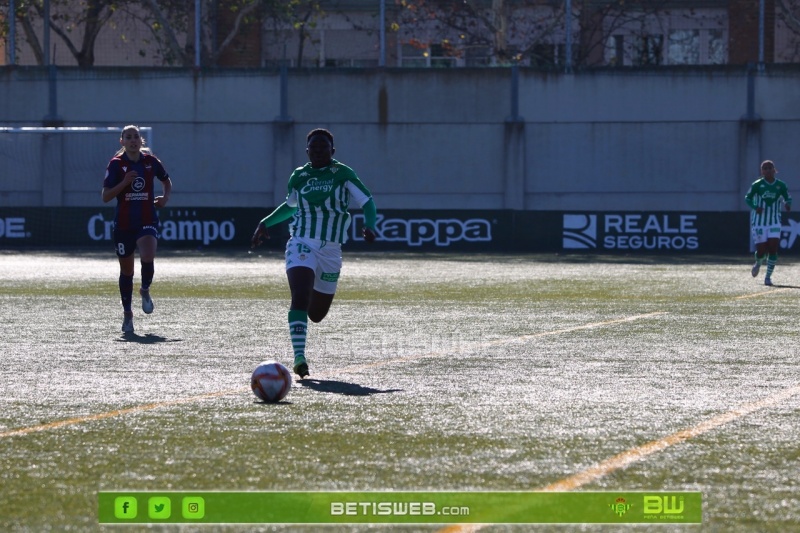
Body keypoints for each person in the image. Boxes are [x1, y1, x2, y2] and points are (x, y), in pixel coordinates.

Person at [251, 128, 377, 378]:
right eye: (314, 146)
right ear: (307, 150)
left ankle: (303, 322)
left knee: (317, 314)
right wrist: (265, 223)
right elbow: (290, 207)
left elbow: (367, 201)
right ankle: (299, 358)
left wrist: (370, 225)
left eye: (324, 146)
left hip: (331, 250)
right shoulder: (299, 176)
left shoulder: (343, 173)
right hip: (301, 241)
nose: (319, 150)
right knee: (299, 294)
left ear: (333, 150)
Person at [102, 125, 173, 333]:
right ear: (121, 141)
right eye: (128, 137)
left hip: (146, 219)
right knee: (127, 271)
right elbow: (105, 196)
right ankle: (127, 314)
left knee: (148, 255)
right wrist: (124, 182)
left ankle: (144, 289)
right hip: (124, 225)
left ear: (141, 140)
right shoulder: (116, 165)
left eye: (136, 137)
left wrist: (165, 197)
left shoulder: (150, 162)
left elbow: (166, 180)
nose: (133, 140)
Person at [745, 159, 791, 286]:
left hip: (774, 221)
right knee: (761, 251)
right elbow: (747, 198)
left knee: (773, 248)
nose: (767, 170)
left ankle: (768, 277)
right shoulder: (757, 185)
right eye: (764, 168)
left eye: (769, 168)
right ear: (762, 171)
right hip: (759, 222)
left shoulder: (780, 185)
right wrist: (755, 207)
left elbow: (787, 197)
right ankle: (758, 262)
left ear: (774, 170)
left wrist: (788, 204)